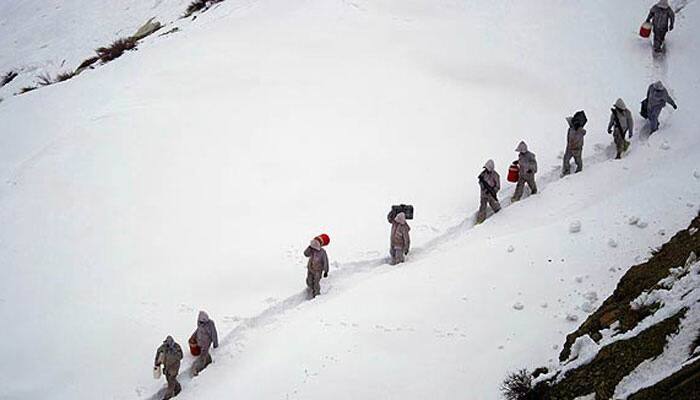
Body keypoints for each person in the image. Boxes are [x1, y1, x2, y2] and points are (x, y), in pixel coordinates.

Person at [190, 311, 218, 376]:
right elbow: (198, 330)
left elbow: (214, 334)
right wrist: (193, 337)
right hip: (199, 341)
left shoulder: (210, 324)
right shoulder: (199, 323)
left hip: (206, 342)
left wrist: (215, 344)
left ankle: (197, 369)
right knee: (205, 354)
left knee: (203, 355)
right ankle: (208, 360)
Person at [476, 159, 501, 224]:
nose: (486, 170)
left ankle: (500, 214)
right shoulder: (483, 174)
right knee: (482, 207)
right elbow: (480, 183)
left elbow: (498, 186)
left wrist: (493, 191)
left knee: (495, 205)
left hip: (491, 194)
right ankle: (480, 220)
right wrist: (483, 187)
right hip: (484, 194)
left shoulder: (496, 175)